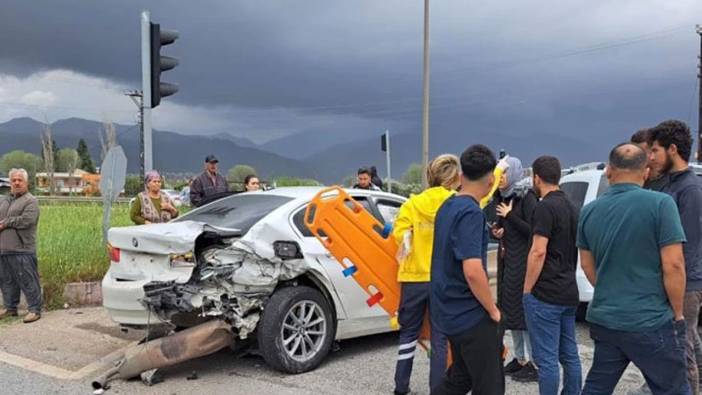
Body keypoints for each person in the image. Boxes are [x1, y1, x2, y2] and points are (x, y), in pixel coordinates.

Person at [578, 143, 690, 395]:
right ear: (646, 171)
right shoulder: (662, 204)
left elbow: (587, 265)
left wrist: (611, 289)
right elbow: (674, 264)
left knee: (597, 387)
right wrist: (678, 312)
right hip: (650, 318)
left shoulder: (588, 211)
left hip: (606, 319)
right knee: (673, 388)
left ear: (609, 171)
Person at [431, 144, 504, 395]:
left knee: (460, 378)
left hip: (447, 311)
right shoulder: (472, 213)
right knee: (490, 386)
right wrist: (493, 310)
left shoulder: (447, 207)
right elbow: (473, 270)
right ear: (491, 179)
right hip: (470, 315)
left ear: (461, 176)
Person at [392, 154, 459, 395]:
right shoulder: (455, 203)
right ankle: (437, 390)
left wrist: (409, 238)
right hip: (443, 280)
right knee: (440, 337)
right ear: (454, 178)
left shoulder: (412, 204)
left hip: (413, 279)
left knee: (408, 334)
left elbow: (399, 234)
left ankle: (401, 387)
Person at [649, 120, 702, 395]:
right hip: (668, 280)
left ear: (672, 149)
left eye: (655, 150)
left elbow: (686, 248)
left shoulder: (690, 189)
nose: (651, 156)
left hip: (685, 284)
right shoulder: (669, 185)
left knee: (683, 353)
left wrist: (676, 296)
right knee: (668, 353)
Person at [523, 155, 582, 395]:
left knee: (546, 359)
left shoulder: (544, 207)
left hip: (546, 293)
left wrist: (527, 288)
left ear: (536, 177)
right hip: (569, 290)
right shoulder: (572, 206)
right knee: (570, 355)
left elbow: (538, 251)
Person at [491, 157, 538, 382]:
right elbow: (500, 225)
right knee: (510, 312)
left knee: (523, 313)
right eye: (498, 174)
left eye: (504, 174)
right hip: (508, 262)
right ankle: (519, 358)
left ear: (516, 173)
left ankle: (534, 363)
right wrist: (497, 230)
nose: (500, 179)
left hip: (523, 263)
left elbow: (533, 230)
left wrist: (510, 217)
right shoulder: (502, 195)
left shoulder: (526, 197)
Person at [0, 168, 42, 323]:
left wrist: (5, 223)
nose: (16, 183)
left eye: (20, 180)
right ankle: (10, 308)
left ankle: (34, 309)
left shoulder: (31, 200)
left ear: (26, 183)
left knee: (28, 279)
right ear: (10, 182)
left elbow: (27, 220)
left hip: (23, 249)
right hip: (3, 249)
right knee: (6, 281)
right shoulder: (4, 200)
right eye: (14, 180)